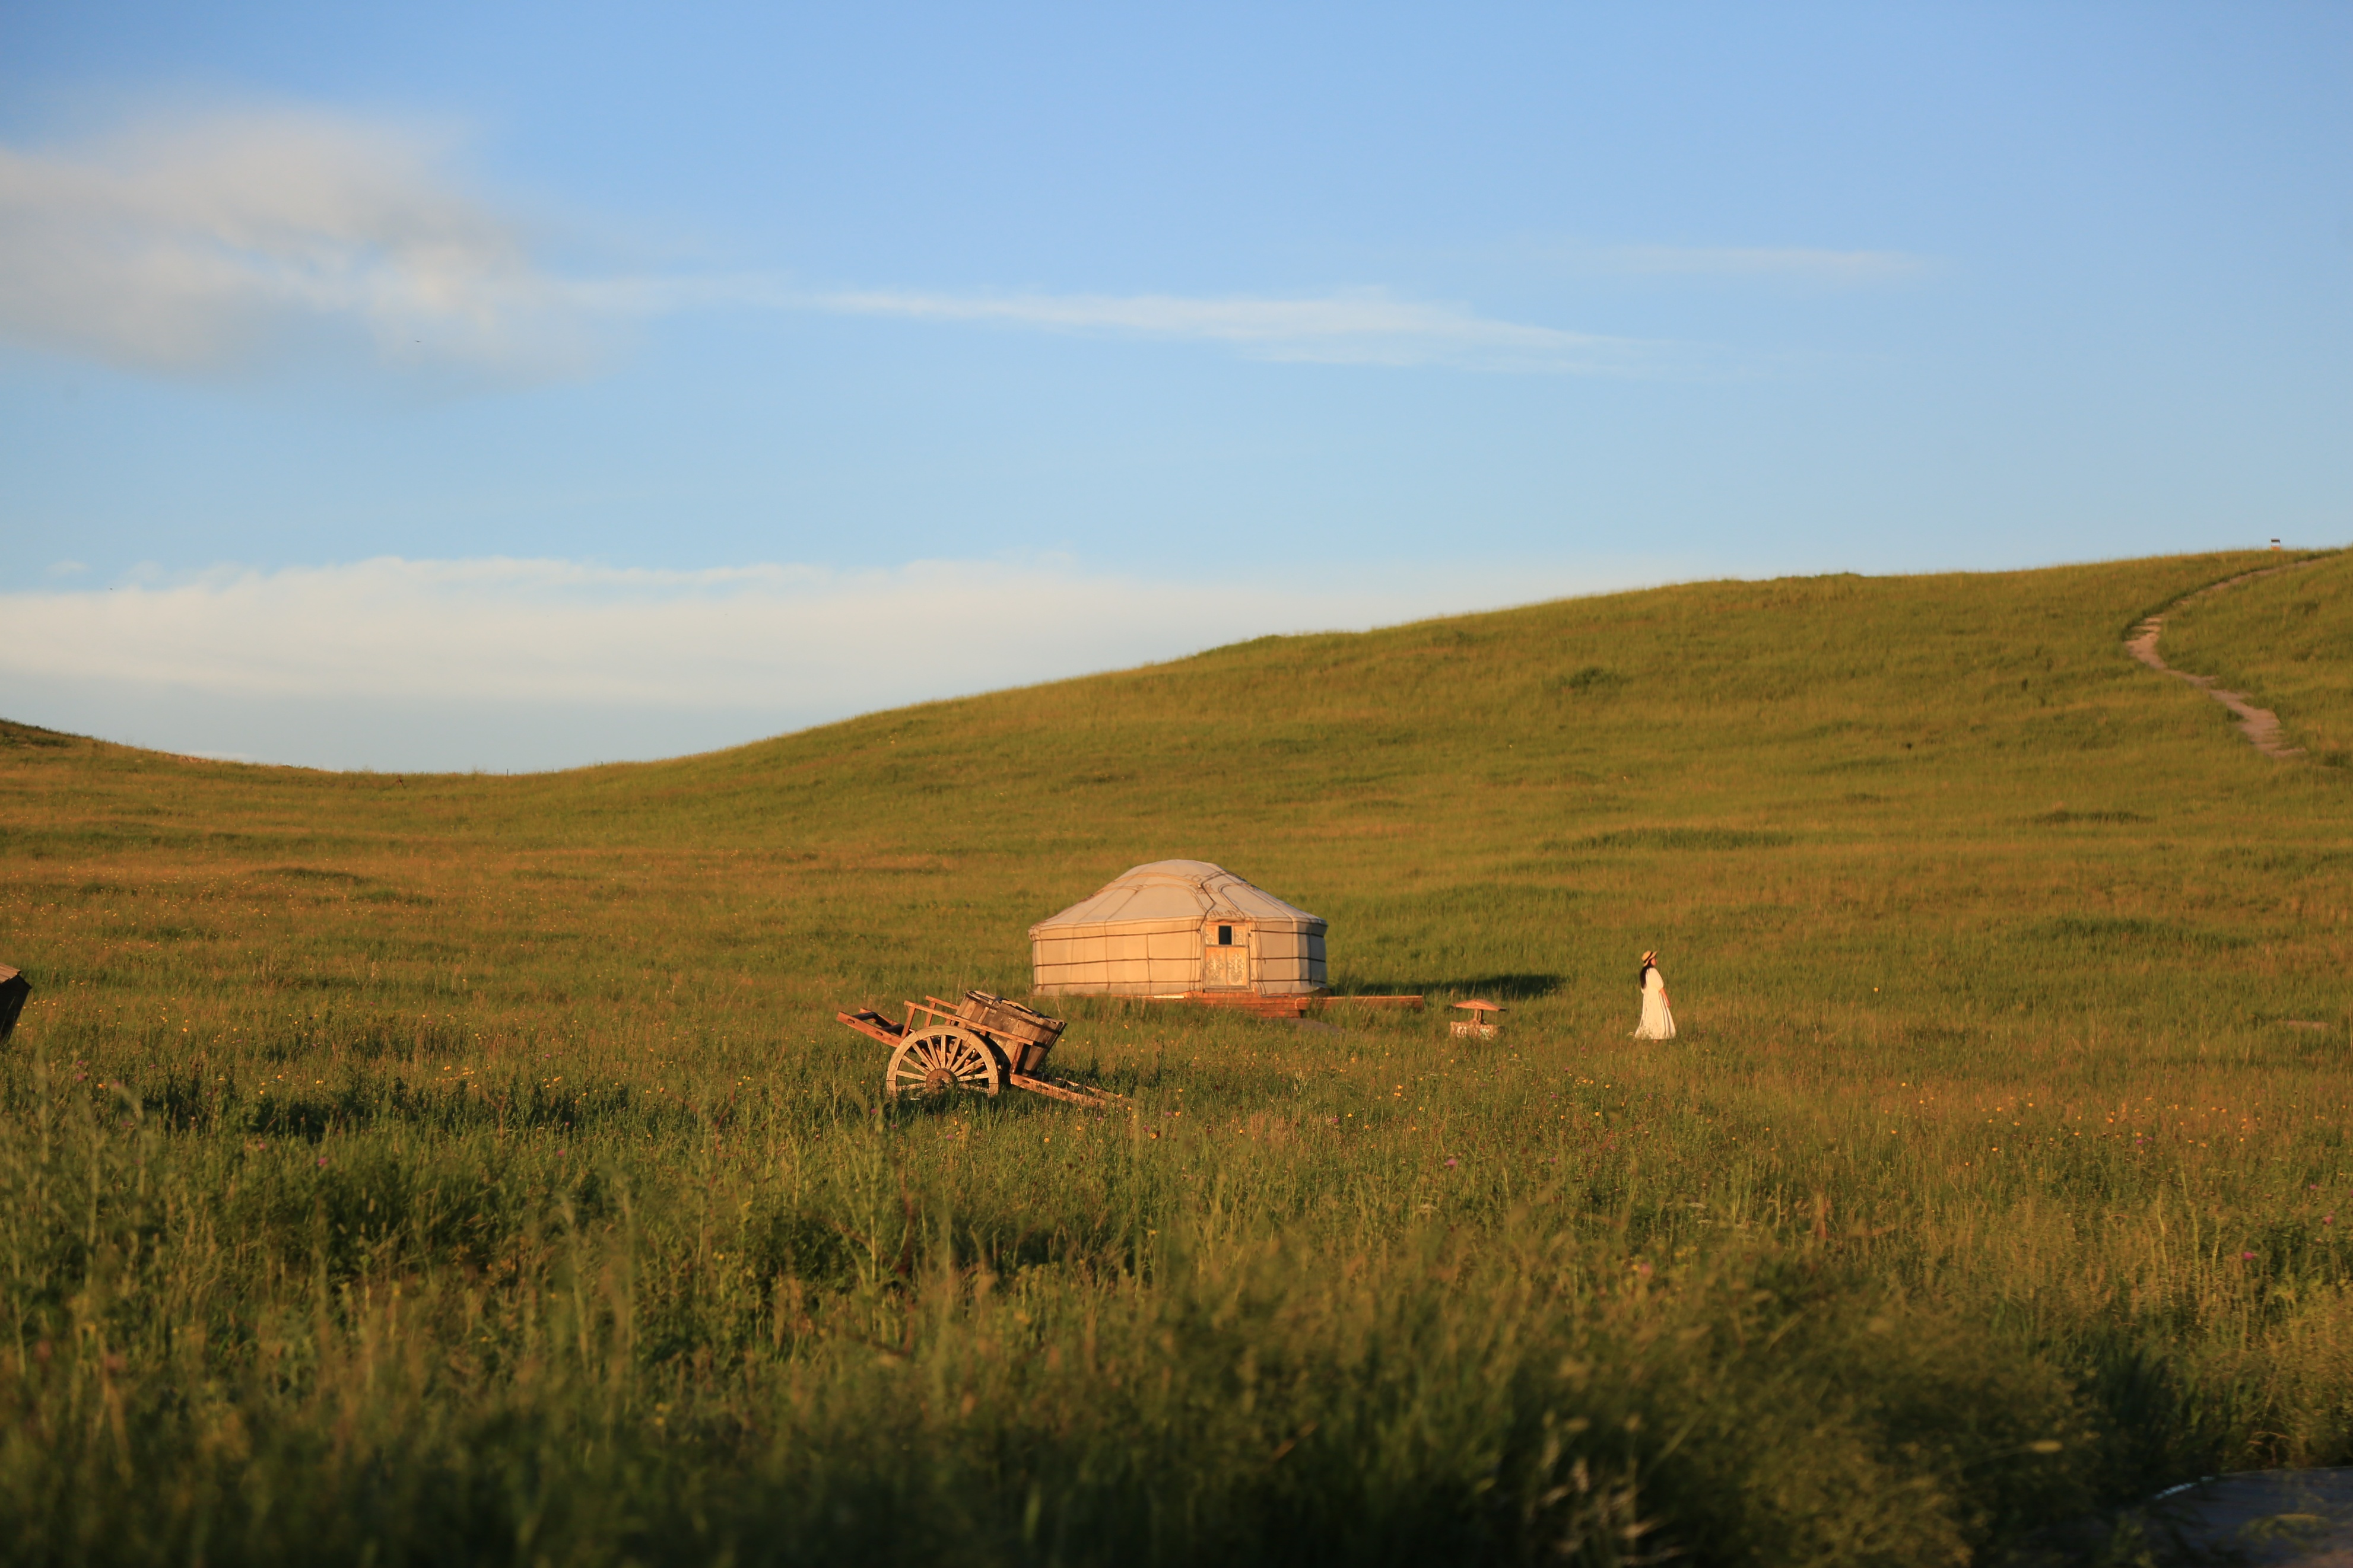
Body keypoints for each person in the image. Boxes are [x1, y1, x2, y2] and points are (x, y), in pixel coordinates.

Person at [1633, 950, 1675, 1039]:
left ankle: (1653, 1038)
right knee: (1659, 1016)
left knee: (1651, 1017)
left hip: (1648, 999)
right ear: (1650, 961)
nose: (1656, 960)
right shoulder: (1653, 971)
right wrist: (1667, 999)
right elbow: (1660, 987)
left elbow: (1644, 990)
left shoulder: (1645, 973)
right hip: (1656, 998)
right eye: (1654, 959)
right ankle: (1658, 1037)